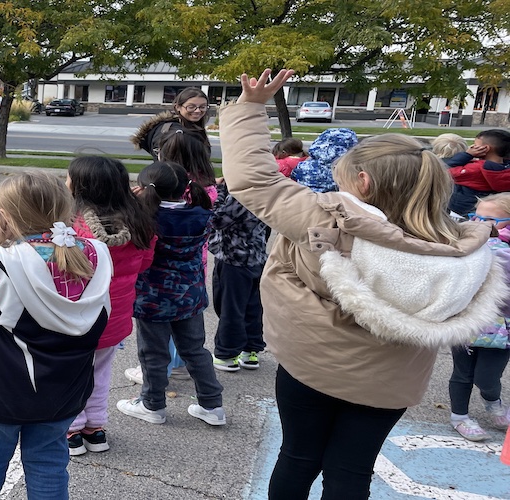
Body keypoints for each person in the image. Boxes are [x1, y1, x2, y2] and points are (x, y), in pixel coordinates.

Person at [221, 69, 509, 500]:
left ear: (364, 183)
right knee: (353, 471)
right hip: (391, 380)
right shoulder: (463, 247)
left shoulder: (328, 222)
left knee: (298, 457)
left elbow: (254, 179)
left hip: (314, 366)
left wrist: (250, 107)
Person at [0, 172, 113, 499]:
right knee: (49, 461)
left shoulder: (3, 261)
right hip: (65, 387)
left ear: (5, 217)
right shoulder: (96, 254)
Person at [116, 161, 227, 427]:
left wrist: (132, 200)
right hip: (190, 294)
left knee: (153, 353)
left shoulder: (144, 219)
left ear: (144, 188)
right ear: (184, 187)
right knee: (195, 350)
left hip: (152, 298)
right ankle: (212, 404)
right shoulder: (201, 213)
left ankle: (152, 404)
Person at [64, 156, 156, 456]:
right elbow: (144, 264)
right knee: (100, 372)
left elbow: (56, 269)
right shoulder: (140, 222)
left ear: (81, 188)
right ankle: (96, 428)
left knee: (71, 374)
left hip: (77, 318)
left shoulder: (71, 229)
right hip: (114, 318)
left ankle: (72, 429)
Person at [449, 193, 510, 441]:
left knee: (488, 377)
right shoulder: (467, 244)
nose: (481, 224)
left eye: (491, 220)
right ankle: (459, 417)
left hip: (502, 327)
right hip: (467, 321)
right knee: (462, 374)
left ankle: (492, 399)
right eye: (477, 217)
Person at [208, 180, 268, 372]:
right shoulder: (265, 189)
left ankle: (227, 353)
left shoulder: (242, 194)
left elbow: (217, 220)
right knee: (252, 306)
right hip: (256, 255)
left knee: (230, 307)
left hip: (233, 257)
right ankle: (250, 350)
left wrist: (219, 191)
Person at [131, 88, 212, 160]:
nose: (197, 111)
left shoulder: (195, 128)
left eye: (203, 107)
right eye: (191, 107)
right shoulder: (171, 131)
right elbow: (169, 166)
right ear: (178, 107)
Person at [444, 129, 510, 216]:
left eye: (475, 145)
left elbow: (445, 170)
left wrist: (467, 154)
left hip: (462, 212)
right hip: (488, 213)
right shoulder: (505, 169)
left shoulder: (475, 169)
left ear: (485, 148)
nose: (472, 147)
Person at [289, 127, 358, 192]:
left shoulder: (303, 166)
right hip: (340, 202)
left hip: (307, 201)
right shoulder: (350, 171)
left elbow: (293, 183)